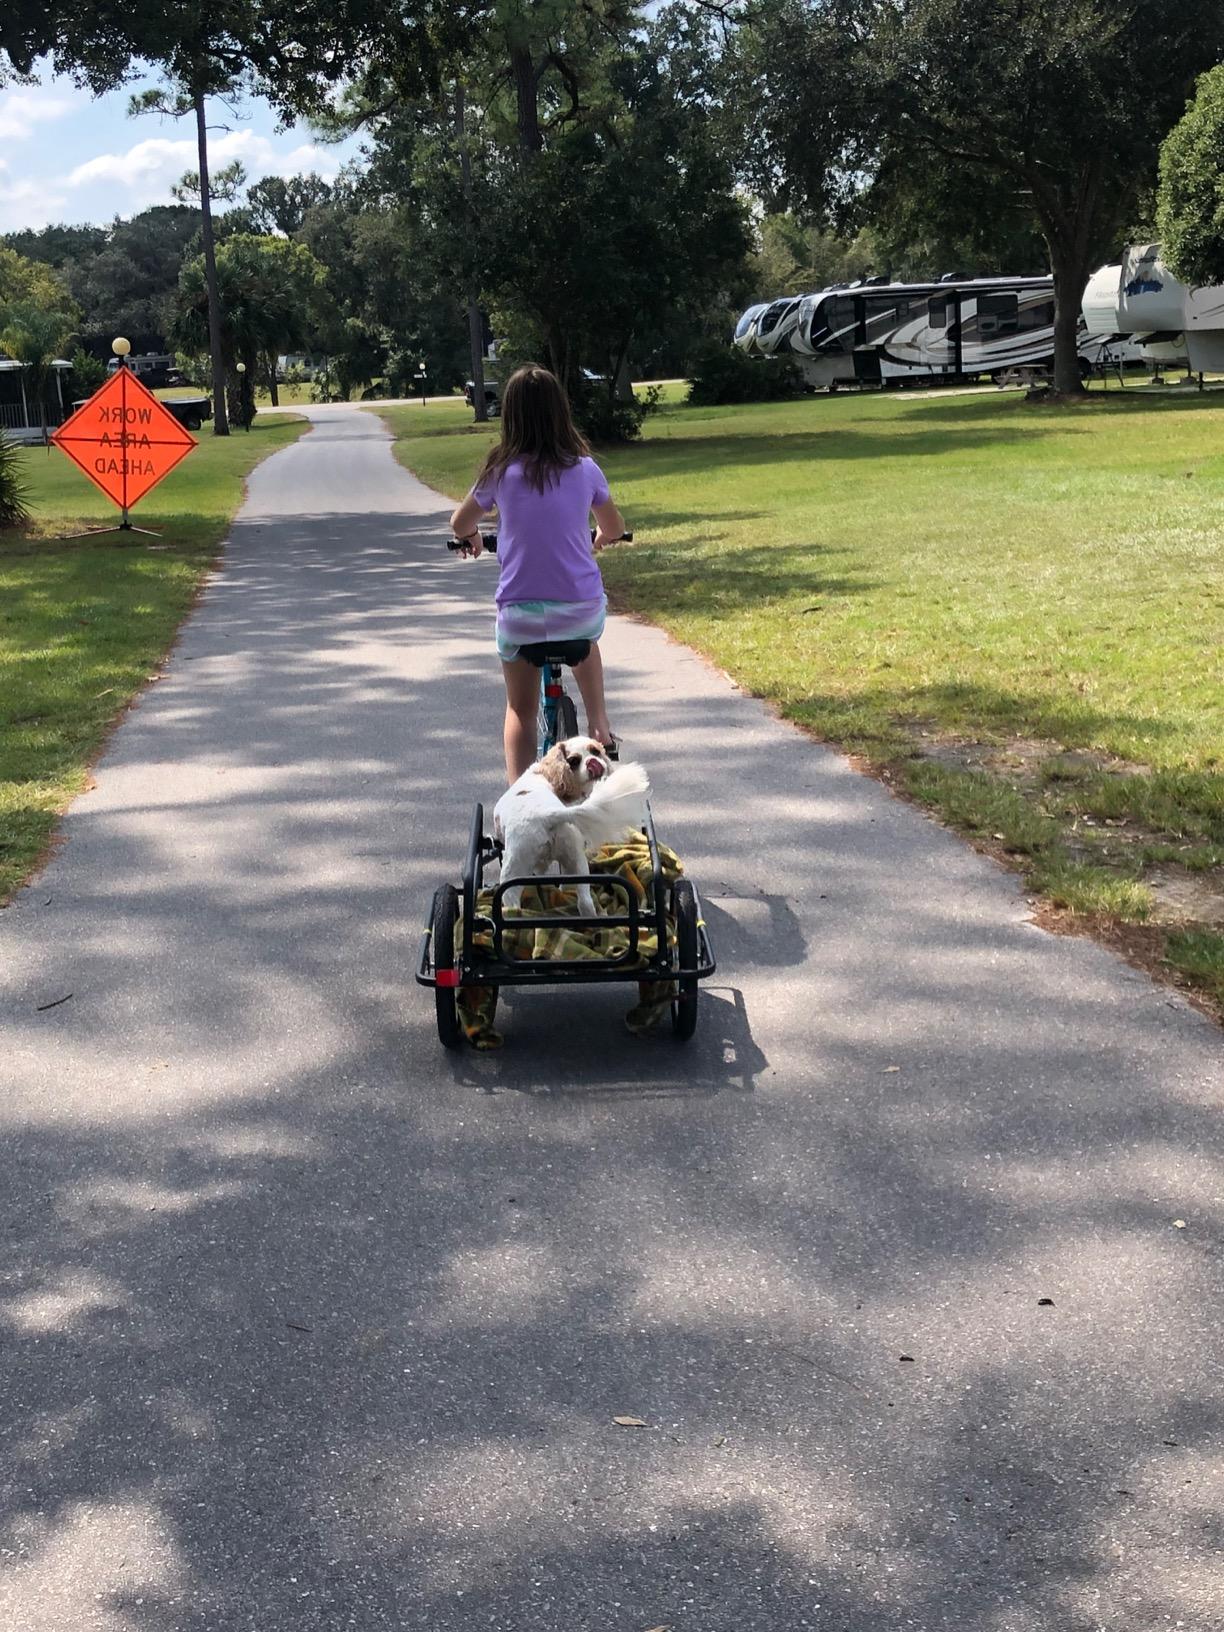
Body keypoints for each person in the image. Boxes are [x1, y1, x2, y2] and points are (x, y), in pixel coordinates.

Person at [449, 364, 627, 784]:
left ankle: (520, 801)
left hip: (521, 618)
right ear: (560, 412)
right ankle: (599, 724)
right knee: (586, 644)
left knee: (519, 710)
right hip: (579, 612)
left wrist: (473, 537)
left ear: (510, 416)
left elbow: (460, 523)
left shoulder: (499, 471)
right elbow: (615, 527)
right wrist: (599, 537)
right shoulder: (585, 469)